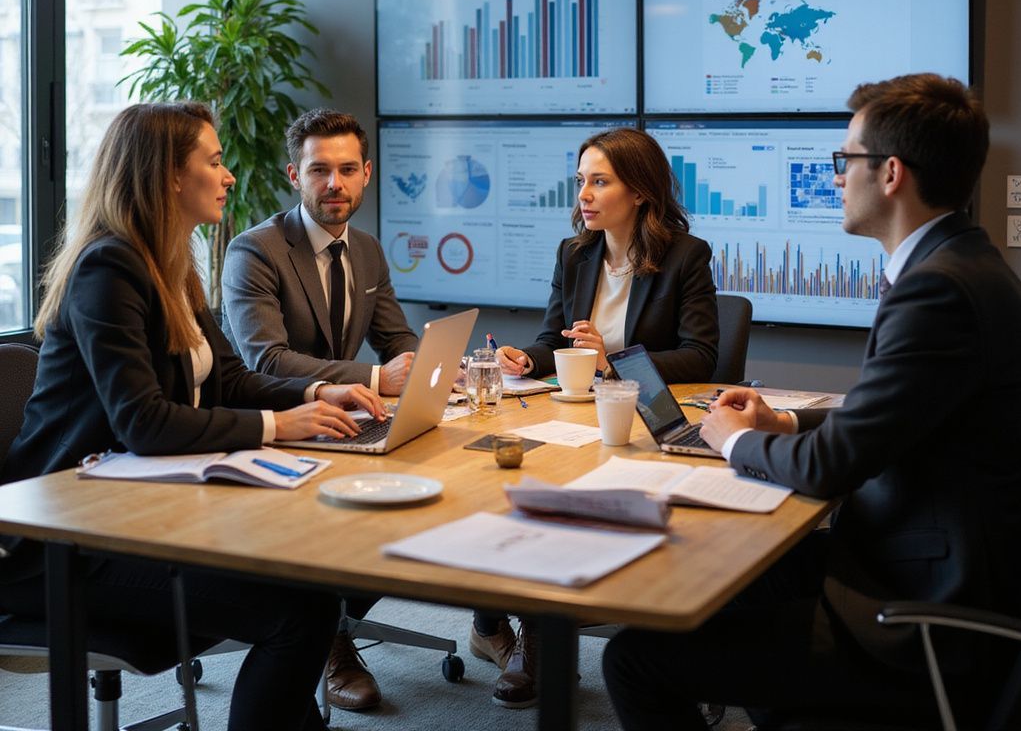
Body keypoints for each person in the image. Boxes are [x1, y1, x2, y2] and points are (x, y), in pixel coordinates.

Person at [603, 74, 1021, 730]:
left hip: (917, 611)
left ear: (890, 174)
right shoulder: (961, 264)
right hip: (913, 557)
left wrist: (733, 440)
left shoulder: (938, 290)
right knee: (725, 576)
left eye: (844, 161)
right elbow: (896, 414)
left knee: (635, 658)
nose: (834, 179)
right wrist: (785, 420)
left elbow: (835, 463)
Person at [0, 102, 389, 731]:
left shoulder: (169, 263)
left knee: (310, 590)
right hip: (64, 539)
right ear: (168, 176)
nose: (229, 176)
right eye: (214, 161)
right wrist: (276, 427)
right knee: (298, 613)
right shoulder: (110, 266)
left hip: (137, 512)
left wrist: (315, 393)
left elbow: (228, 378)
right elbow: (145, 423)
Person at [479, 126, 719, 708]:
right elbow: (551, 338)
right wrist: (523, 357)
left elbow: (702, 356)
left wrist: (612, 357)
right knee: (506, 484)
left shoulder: (686, 255)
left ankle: (557, 635)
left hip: (643, 420)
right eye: (581, 180)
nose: (583, 194)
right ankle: (520, 630)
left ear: (638, 190)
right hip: (572, 416)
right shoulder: (576, 253)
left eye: (599, 182)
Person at [222, 108, 419, 712]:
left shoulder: (366, 251)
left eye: (346, 170)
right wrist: (376, 376)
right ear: (294, 175)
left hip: (346, 424)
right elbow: (267, 360)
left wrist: (423, 365)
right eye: (319, 170)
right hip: (275, 428)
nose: (334, 184)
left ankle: (330, 616)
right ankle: (326, 637)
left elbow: (397, 336)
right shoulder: (254, 251)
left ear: (366, 175)